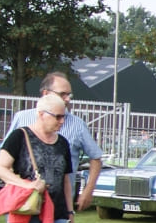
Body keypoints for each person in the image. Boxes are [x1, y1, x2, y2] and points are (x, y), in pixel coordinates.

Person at [0, 100, 74, 223]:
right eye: (58, 116)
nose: (62, 121)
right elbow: (1, 168)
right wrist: (27, 185)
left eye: (64, 117)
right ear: (41, 114)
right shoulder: (19, 136)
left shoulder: (62, 143)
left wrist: (70, 211)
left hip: (57, 211)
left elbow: (66, 180)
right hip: (25, 209)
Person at [7, 73, 105, 211]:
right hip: (23, 201)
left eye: (69, 95)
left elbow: (96, 158)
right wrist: (16, 185)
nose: (67, 99)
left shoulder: (77, 125)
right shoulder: (21, 119)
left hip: (59, 204)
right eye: (63, 94)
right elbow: (4, 160)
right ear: (45, 93)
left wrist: (88, 191)